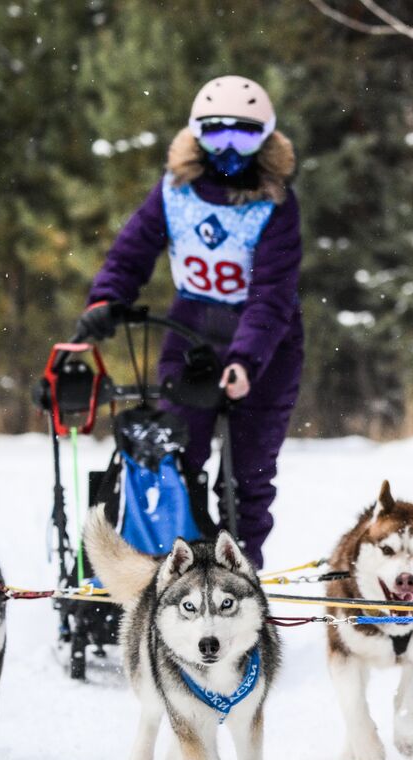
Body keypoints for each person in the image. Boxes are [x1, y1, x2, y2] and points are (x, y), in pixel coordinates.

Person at [80, 76, 302, 568]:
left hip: (269, 342)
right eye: (214, 132)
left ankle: (240, 572)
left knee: (248, 472)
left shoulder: (277, 204)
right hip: (193, 330)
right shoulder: (174, 192)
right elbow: (132, 250)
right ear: (194, 134)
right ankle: (184, 565)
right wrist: (106, 300)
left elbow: (272, 294)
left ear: (266, 138)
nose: (227, 147)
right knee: (177, 454)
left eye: (243, 134)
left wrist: (245, 361)